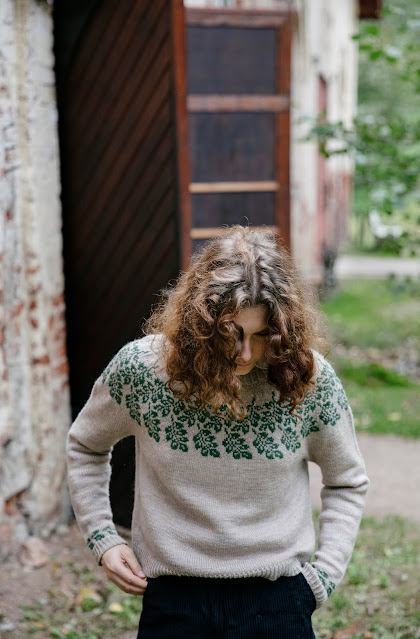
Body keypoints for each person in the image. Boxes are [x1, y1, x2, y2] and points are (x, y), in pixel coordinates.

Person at [66, 226, 369, 638]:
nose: (246, 353)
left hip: (279, 602)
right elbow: (85, 445)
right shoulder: (143, 371)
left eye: (261, 335)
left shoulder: (306, 378)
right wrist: (104, 538)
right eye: (232, 332)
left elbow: (347, 481)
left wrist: (323, 578)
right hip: (173, 602)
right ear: (201, 320)